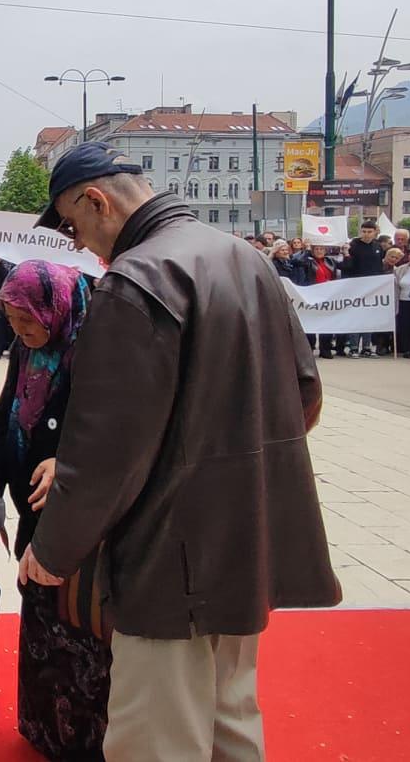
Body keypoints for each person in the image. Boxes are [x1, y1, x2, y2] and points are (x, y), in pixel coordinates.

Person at [23, 142, 340, 762]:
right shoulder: (245, 259)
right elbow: (303, 396)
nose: (80, 244)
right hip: (243, 537)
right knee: (231, 719)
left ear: (97, 200)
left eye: (73, 227)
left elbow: (105, 453)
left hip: (168, 558)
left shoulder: (137, 279)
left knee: (157, 736)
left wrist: (53, 547)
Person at [0, 260, 108, 758]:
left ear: (58, 308)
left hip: (78, 516)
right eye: (12, 320)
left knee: (79, 628)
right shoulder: (25, 354)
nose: (20, 330)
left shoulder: (94, 353)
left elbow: (112, 431)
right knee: (41, 618)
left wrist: (66, 461)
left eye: (29, 320)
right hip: (34, 504)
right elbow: (10, 418)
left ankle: (85, 742)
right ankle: (44, 727)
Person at [341, 220, 387, 357]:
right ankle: (354, 347)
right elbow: (347, 266)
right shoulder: (353, 245)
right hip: (355, 285)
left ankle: (367, 347)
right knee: (355, 316)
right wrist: (346, 253)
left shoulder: (378, 247)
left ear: (375, 232)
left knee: (369, 317)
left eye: (369, 232)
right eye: (364, 231)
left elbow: (380, 266)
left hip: (372, 286)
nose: (366, 234)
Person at [294, 243, 342, 358]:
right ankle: (309, 347)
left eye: (321, 249)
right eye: (316, 249)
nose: (319, 251)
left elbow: (346, 266)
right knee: (311, 321)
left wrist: (346, 252)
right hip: (312, 294)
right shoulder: (307, 261)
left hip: (328, 295)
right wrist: (306, 250)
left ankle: (325, 349)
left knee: (327, 322)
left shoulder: (330, 261)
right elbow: (297, 261)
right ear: (313, 250)